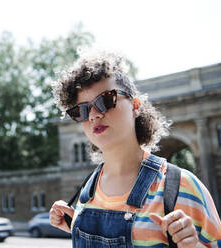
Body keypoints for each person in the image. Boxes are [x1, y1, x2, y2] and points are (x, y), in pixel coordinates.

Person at [49, 50, 221, 248]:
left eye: (105, 100)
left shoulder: (181, 187)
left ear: (135, 106)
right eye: (82, 110)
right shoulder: (88, 189)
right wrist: (77, 223)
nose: (94, 115)